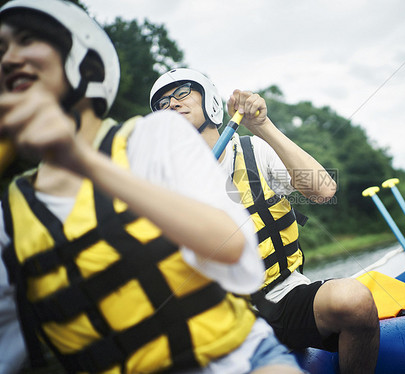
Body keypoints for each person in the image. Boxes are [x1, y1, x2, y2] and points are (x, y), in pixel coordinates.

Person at [0, 1, 304, 373]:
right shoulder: (8, 218)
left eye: (26, 40)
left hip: (248, 340)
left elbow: (320, 190)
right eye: (163, 101)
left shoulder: (159, 139)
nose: (9, 60)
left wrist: (82, 159)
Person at [149, 68, 380, 373]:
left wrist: (262, 125)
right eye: (163, 103)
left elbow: (324, 190)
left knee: (355, 300)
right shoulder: (163, 186)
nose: (172, 104)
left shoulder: (254, 151)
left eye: (181, 93)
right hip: (229, 318)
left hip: (287, 297)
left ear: (210, 102)